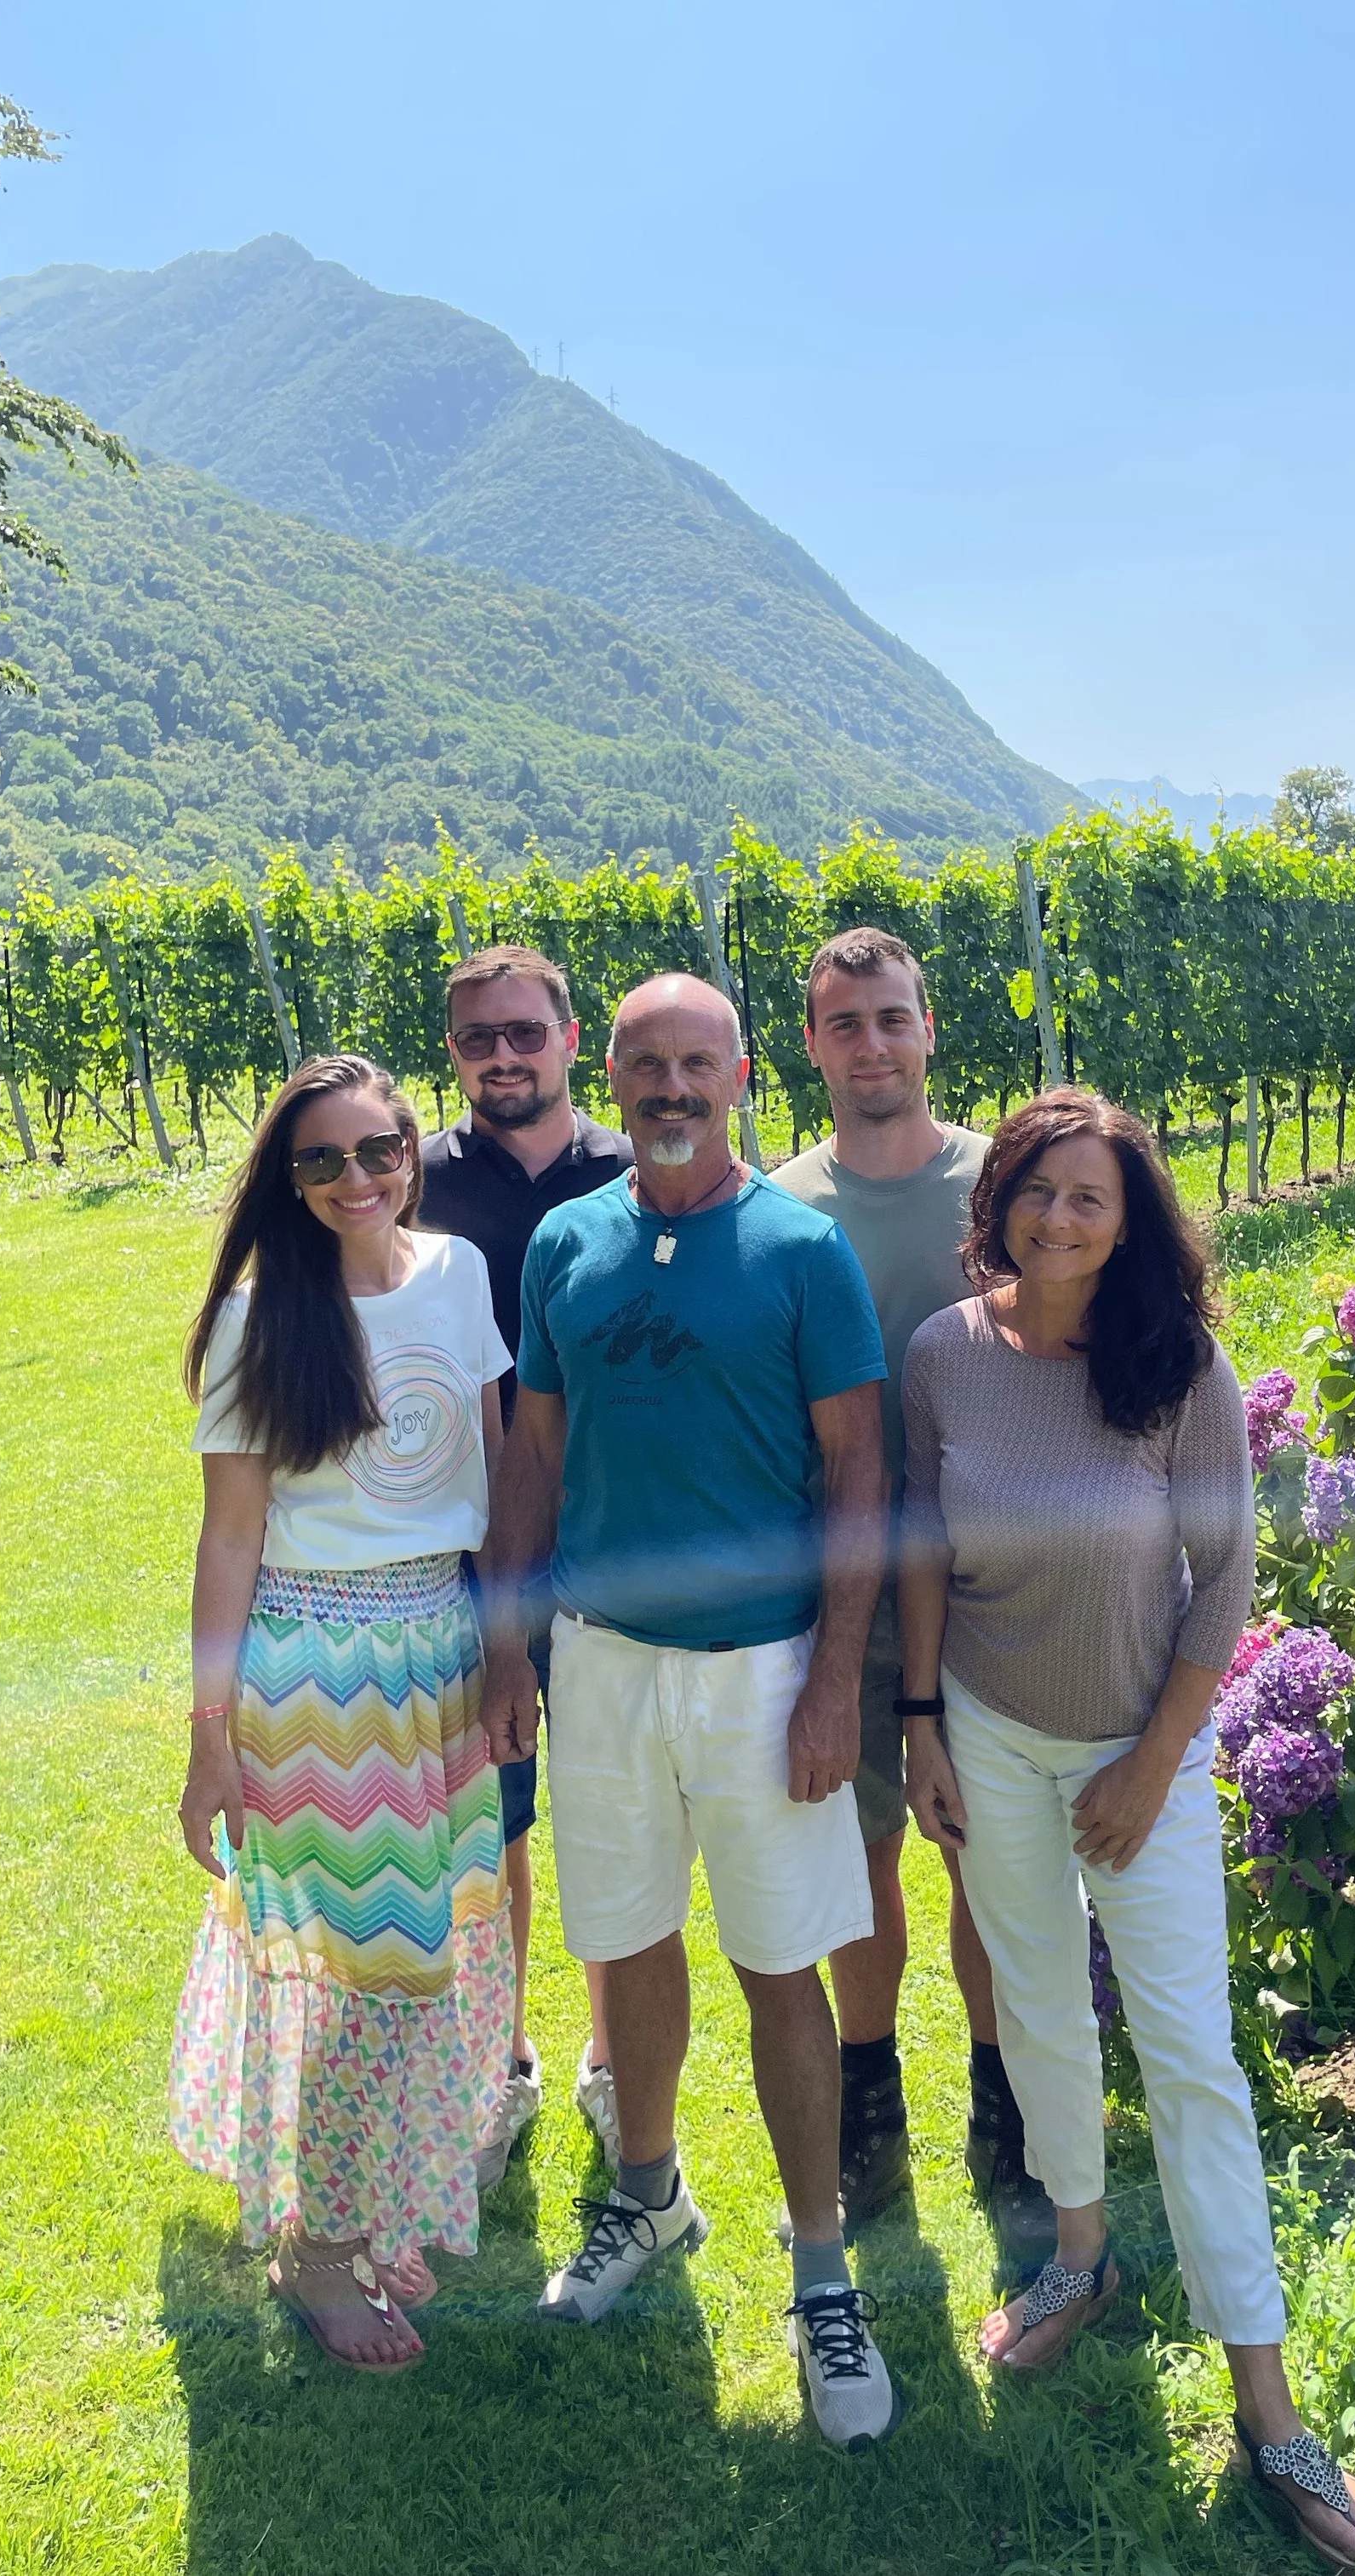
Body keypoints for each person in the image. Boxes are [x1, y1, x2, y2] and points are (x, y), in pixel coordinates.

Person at [899, 1090, 1355, 2569]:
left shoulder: (1179, 1367)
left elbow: (1227, 1573)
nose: (1062, 1220)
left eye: (1092, 1200)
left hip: (1146, 1752)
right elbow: (924, 1547)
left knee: (1190, 2057)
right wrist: (922, 1721)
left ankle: (1271, 2403)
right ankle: (1079, 2257)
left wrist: (1157, 1758)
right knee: (1038, 2012)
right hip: (989, 1733)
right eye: (1039, 1193)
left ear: (1131, 1224)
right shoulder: (944, 1354)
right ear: (999, 1202)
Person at [481, 972, 898, 2449]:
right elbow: (536, 1447)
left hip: (765, 1671)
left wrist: (837, 1680)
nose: (669, 1087)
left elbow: (859, 1480)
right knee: (626, 1939)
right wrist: (506, 1636)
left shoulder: (801, 1249)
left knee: (780, 1966)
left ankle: (820, 2267)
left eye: (695, 1063)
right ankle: (646, 2195)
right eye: (644, 1064)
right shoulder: (563, 1244)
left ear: (737, 1075)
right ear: (614, 1070)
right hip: (597, 1657)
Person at [169, 1054, 513, 2371]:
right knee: (365, 1971)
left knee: (427, 1954)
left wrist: (499, 1653)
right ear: (287, 1178)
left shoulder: (458, 1277)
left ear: (412, 1153)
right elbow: (227, 1543)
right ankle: (316, 2249)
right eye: (323, 1160)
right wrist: (209, 1738)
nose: (357, 1179)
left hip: (438, 1654)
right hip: (314, 1674)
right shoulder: (263, 1323)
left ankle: (366, 2206)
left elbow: (482, 1478)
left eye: (379, 1152)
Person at [772, 927, 1052, 2262]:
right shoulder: (781, 1202)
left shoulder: (1003, 1188)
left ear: (929, 1029)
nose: (872, 1045)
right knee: (861, 1849)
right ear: (812, 1045)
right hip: (838, 1591)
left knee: (985, 1851)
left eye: (893, 1018)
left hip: (991, 1586)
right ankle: (868, 2097)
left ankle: (1004, 2108)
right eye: (846, 1024)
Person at [418, 944, 630, 2185]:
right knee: (490, 1825)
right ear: (456, 1057)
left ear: (568, 1035)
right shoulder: (414, 1180)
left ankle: (612, 2061)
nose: (504, 1057)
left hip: (608, 1548)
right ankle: (499, 2066)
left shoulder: (638, 1171)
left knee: (607, 1814)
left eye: (524, 1033)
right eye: (477, 1040)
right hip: (460, 1556)